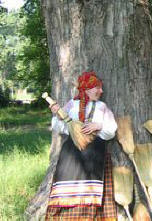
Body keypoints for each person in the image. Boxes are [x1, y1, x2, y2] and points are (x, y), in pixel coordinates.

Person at [45, 71, 118, 220]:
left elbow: (111, 130)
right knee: (68, 188)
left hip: (95, 153)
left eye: (101, 88)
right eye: (97, 87)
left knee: (92, 191)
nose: (101, 91)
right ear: (86, 88)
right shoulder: (72, 104)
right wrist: (58, 115)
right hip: (72, 153)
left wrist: (99, 126)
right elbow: (59, 126)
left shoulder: (102, 106)